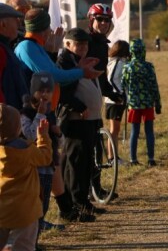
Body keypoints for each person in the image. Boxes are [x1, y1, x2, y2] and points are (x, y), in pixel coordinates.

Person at [56, 27, 105, 222]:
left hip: (89, 120)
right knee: (75, 164)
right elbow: (63, 93)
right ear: (67, 44)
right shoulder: (65, 63)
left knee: (86, 163)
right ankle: (76, 203)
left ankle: (83, 201)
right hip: (76, 121)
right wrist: (79, 106)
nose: (83, 47)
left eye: (85, 44)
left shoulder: (80, 61)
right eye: (79, 44)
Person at [19, 72, 65, 249]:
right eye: (40, 91)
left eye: (48, 91)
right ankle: (30, 244)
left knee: (43, 207)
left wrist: (58, 133)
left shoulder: (50, 112)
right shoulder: (26, 113)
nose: (44, 94)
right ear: (33, 92)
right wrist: (39, 115)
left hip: (48, 167)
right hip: (33, 169)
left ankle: (35, 242)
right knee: (33, 209)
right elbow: (30, 135)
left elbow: (59, 143)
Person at [0, 103, 52, 251]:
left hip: (2, 210)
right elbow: (46, 158)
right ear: (18, 129)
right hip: (26, 210)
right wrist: (43, 137)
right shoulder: (27, 149)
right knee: (24, 246)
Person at [86, 3, 122, 200]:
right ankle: (85, 191)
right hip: (82, 96)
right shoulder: (86, 41)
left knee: (97, 146)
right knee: (85, 149)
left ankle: (96, 188)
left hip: (95, 96)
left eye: (107, 20)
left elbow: (101, 76)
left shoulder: (102, 44)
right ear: (91, 20)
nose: (104, 23)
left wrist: (112, 93)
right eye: (100, 19)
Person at [121, 39, 161, 167]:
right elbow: (154, 86)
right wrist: (158, 103)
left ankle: (133, 159)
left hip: (133, 104)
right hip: (148, 103)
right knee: (149, 131)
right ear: (143, 51)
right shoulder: (149, 66)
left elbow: (123, 85)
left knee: (134, 132)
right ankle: (151, 158)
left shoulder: (127, 67)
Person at [105, 40, 130, 163]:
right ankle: (112, 158)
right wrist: (119, 94)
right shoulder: (117, 62)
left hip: (115, 101)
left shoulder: (116, 62)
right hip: (115, 101)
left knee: (114, 130)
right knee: (114, 130)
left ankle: (113, 157)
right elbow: (111, 79)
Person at [0, 3, 28, 110]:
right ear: (3, 24)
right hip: (6, 118)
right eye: (15, 20)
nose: (19, 23)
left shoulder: (6, 48)